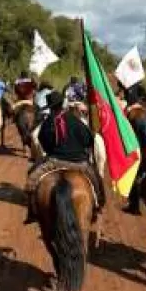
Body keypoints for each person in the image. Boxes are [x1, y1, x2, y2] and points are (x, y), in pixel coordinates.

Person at [24, 90, 107, 225]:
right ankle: (98, 205)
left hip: (54, 162)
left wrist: (53, 150)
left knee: (31, 178)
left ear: (50, 107)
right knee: (97, 180)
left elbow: (42, 141)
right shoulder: (76, 120)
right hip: (79, 163)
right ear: (63, 104)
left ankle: (32, 211)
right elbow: (88, 140)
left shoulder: (48, 122)